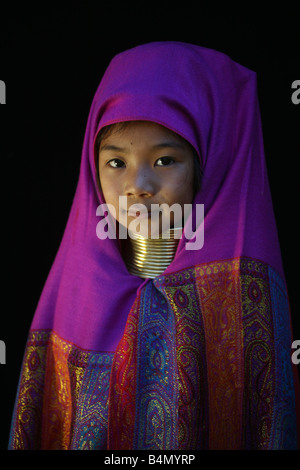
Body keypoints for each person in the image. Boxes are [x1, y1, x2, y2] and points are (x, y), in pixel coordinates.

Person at [8, 41, 299, 450]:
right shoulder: (73, 298)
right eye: (116, 163)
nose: (138, 187)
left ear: (211, 163)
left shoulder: (245, 301)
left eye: (165, 160)